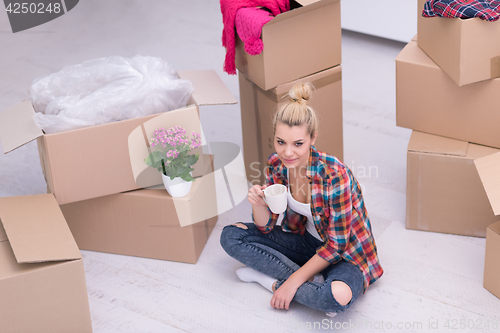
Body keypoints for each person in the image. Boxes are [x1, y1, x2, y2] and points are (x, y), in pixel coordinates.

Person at [220, 82, 383, 316]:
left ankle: (271, 281)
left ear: (312, 138)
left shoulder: (335, 176)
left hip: (345, 254)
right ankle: (308, 280)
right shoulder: (277, 165)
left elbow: (337, 246)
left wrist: (291, 282)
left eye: (298, 144)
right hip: (306, 243)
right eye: (280, 142)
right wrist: (257, 203)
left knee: (336, 297)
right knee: (231, 236)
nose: (288, 152)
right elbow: (265, 226)